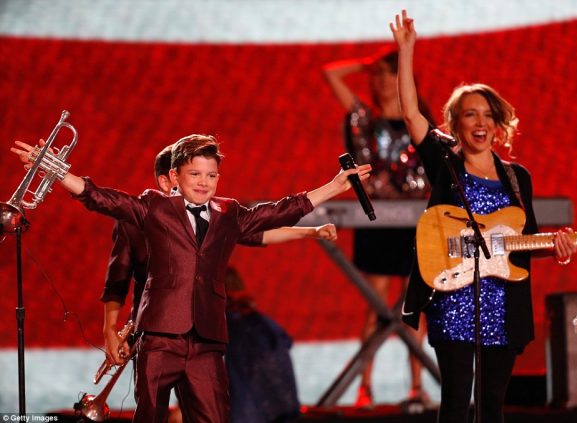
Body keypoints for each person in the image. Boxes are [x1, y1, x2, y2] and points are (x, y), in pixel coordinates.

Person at [11, 133, 370, 423]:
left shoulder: (228, 213)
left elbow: (277, 213)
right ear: (176, 176)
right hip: (160, 337)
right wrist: (56, 171)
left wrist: (332, 187)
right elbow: (103, 198)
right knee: (150, 416)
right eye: (195, 174)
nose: (203, 182)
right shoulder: (154, 207)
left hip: (207, 341)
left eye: (211, 175)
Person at [390, 10, 577, 423]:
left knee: (493, 407)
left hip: (504, 302)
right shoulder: (445, 162)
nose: (480, 122)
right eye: (470, 114)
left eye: (487, 115)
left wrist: (556, 247)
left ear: (497, 124)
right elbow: (411, 116)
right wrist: (406, 50)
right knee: (456, 404)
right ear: (456, 124)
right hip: (453, 294)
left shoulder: (517, 178)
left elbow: (525, 241)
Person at [323, 47, 435, 407]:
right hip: (377, 221)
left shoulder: (421, 120)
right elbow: (330, 73)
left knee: (414, 306)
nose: (384, 81)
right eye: (378, 75)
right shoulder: (365, 120)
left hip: (415, 221)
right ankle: (365, 388)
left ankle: (417, 387)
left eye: (390, 74)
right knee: (377, 305)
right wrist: (367, 64)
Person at [224, 266, 300, 423]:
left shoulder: (228, 324)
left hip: (250, 411)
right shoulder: (256, 319)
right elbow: (285, 341)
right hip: (283, 404)